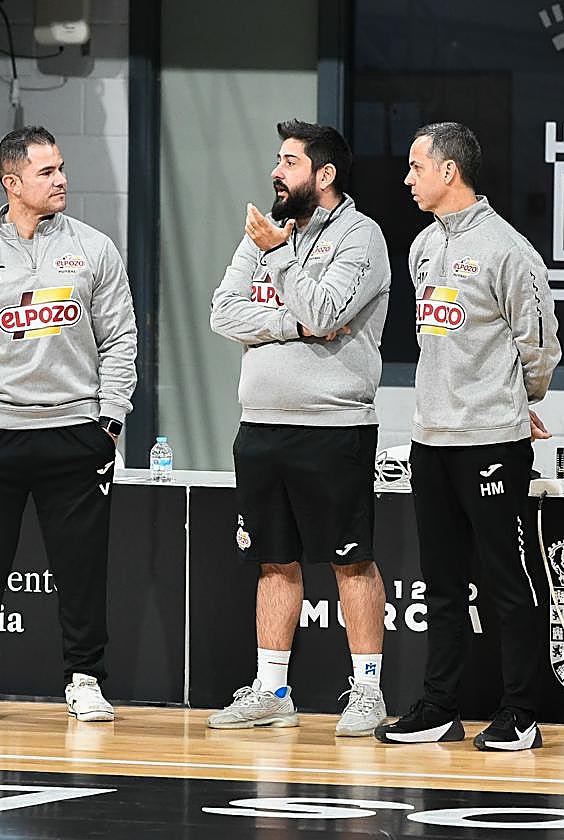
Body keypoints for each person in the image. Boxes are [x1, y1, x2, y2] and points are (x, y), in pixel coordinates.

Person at [0, 125, 138, 723]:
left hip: (75, 432)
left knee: (82, 571)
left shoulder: (95, 248)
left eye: (61, 167)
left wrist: (109, 423)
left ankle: (85, 679)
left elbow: (121, 339)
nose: (62, 179)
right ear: (12, 182)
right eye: (47, 172)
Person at [374, 122, 561, 750]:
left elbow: (539, 346)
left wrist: (516, 401)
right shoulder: (423, 246)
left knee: (507, 580)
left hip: (491, 441)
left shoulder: (510, 250)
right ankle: (438, 708)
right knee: (442, 582)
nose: (407, 179)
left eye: (416, 167)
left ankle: (520, 714)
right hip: (430, 440)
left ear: (448, 171)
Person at [208, 119, 392, 736]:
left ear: (324, 174)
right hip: (260, 425)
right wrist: (295, 325)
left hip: (334, 426)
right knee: (274, 562)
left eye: (289, 162)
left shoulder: (361, 238)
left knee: (351, 562)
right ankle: (272, 690)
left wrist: (279, 261)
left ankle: (368, 691)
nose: (276, 172)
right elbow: (223, 313)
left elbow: (327, 308)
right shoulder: (266, 232)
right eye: (278, 160)